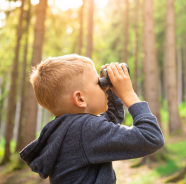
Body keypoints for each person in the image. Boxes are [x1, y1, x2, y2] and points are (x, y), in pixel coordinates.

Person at [20, 54, 164, 184]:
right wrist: (128, 94)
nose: (103, 86)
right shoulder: (85, 130)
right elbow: (151, 137)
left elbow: (111, 119)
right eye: (98, 83)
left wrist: (111, 89)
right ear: (80, 98)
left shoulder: (65, 129)